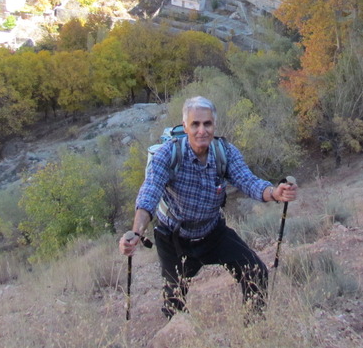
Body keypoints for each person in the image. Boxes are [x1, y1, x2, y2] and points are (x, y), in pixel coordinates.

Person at [119, 96, 298, 320]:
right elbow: (149, 195)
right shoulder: (168, 154)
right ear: (185, 126)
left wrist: (275, 193)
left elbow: (248, 182)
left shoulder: (225, 152)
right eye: (195, 124)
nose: (202, 130)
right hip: (173, 238)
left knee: (256, 272)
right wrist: (136, 232)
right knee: (174, 302)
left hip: (212, 231)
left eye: (207, 124)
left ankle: (255, 329)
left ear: (214, 125)